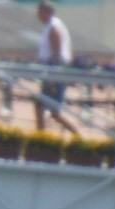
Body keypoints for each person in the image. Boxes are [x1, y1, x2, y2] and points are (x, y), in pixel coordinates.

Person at [34, 2, 75, 135]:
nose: (37, 15)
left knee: (52, 112)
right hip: (50, 72)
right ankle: (41, 138)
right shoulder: (49, 26)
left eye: (39, 11)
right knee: (42, 107)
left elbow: (56, 54)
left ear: (46, 12)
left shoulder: (54, 27)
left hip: (54, 73)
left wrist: (52, 79)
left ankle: (77, 135)